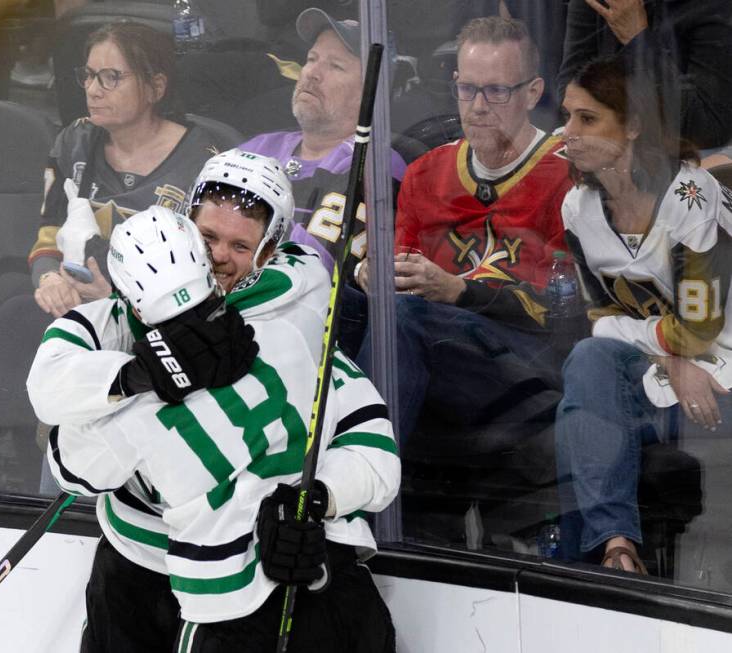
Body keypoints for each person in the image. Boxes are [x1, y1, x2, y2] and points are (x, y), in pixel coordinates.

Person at [29, 149, 400, 652]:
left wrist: (314, 501)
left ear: (270, 251)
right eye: (207, 237)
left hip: (256, 583)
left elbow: (373, 450)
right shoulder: (121, 317)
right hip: (134, 567)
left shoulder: (295, 329)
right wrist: (135, 375)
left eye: (240, 245)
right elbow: (66, 446)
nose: (219, 256)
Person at [0, 21, 237, 485]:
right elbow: (48, 233)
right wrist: (48, 281)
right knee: (17, 307)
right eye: (88, 76)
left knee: (23, 322)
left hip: (162, 324)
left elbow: (221, 270)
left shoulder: (207, 159)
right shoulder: (74, 141)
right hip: (79, 305)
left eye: (112, 77)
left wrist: (115, 298)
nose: (94, 89)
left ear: (155, 86)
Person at [355, 17, 573, 456]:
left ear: (532, 92)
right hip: (442, 348)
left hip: (527, 360)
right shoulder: (425, 171)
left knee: (401, 319)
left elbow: (562, 312)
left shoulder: (567, 174)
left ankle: (362, 467)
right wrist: (372, 272)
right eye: (467, 88)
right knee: (350, 308)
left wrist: (459, 291)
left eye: (496, 91)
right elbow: (401, 278)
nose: (477, 106)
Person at [557, 55, 732, 574]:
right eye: (567, 116)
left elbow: (701, 329)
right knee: (588, 367)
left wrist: (662, 348)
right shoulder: (578, 209)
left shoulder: (689, 195)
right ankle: (616, 551)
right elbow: (597, 317)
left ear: (632, 127)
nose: (568, 133)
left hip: (724, 375)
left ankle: (597, 562)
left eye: (588, 119)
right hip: (667, 371)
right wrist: (669, 359)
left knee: (589, 383)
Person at [239, 7, 407, 273]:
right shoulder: (259, 148)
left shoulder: (374, 165)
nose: (311, 73)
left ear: (371, 92)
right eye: (311, 58)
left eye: (335, 66)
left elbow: (308, 274)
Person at [557, 0, 732, 151]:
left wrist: (637, 41)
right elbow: (570, 92)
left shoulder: (716, 6)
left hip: (687, 156)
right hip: (606, 142)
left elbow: (707, 127)